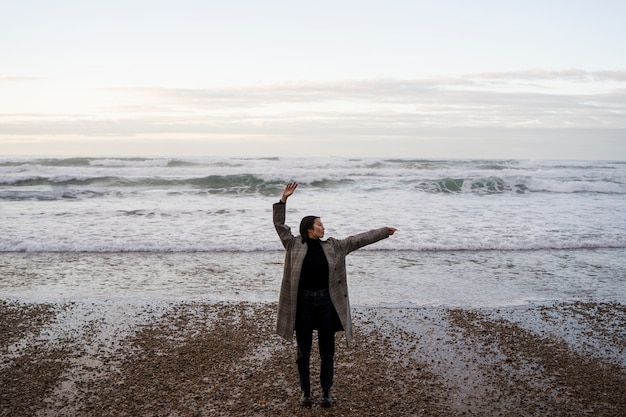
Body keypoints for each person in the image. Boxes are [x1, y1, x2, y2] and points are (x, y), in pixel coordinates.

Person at [273, 181, 397, 408]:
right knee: (303, 351)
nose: (323, 228)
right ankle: (306, 392)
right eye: (319, 225)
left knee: (327, 351)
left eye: (322, 225)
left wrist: (383, 232)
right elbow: (279, 225)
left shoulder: (333, 246)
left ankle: (326, 392)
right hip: (302, 305)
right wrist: (283, 200)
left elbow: (358, 239)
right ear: (309, 229)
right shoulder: (294, 245)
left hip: (325, 303)